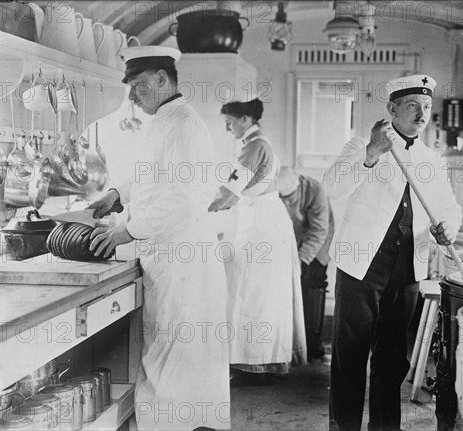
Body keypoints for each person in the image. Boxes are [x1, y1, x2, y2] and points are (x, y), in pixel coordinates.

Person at [88, 46, 229, 431]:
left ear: (162, 80)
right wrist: (117, 193)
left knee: (173, 362)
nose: (131, 96)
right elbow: (154, 176)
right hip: (169, 257)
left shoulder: (183, 123)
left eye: (138, 86)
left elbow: (184, 198)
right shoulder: (165, 119)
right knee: (171, 360)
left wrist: (126, 231)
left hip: (182, 259)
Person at [323, 74, 462, 431]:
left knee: (392, 360)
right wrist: (372, 153)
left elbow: (450, 208)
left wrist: (447, 226)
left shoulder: (431, 159)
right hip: (361, 266)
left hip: (407, 270)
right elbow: (334, 186)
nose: (421, 114)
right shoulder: (360, 145)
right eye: (413, 105)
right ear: (392, 109)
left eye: (427, 107)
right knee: (350, 356)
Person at [209, 95, 307, 386]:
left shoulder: (254, 147)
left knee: (252, 294)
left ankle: (253, 362)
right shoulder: (258, 144)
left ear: (245, 120)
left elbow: (230, 193)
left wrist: (199, 210)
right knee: (259, 295)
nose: (228, 129)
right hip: (264, 223)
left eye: (229, 123)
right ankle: (257, 361)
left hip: (261, 228)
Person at [277, 167, 334, 359]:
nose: (286, 202)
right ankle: (290, 342)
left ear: (298, 186)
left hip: (320, 240)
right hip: (294, 240)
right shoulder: (275, 188)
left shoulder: (315, 190)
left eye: (290, 198)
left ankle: (312, 342)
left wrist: (302, 260)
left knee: (313, 282)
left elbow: (319, 230)